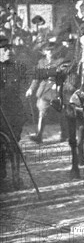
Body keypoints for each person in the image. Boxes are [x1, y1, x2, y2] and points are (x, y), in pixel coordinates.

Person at [0, 36, 27, 184]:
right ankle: (2, 171)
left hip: (13, 112)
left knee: (14, 144)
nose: (8, 51)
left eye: (10, 48)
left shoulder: (17, 67)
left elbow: (23, 86)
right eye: (4, 49)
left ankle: (16, 176)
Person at [26, 41, 64, 144]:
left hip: (57, 90)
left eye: (52, 50)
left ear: (56, 50)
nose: (50, 52)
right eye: (48, 50)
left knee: (62, 113)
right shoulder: (41, 62)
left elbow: (61, 74)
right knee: (42, 113)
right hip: (44, 91)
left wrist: (49, 74)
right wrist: (31, 89)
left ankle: (64, 135)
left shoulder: (60, 61)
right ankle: (39, 135)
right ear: (44, 52)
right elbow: (36, 78)